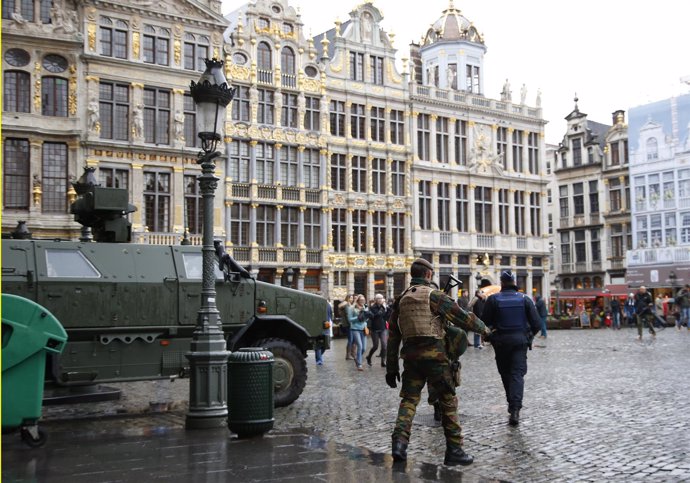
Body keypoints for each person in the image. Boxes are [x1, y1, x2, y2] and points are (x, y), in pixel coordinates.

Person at [386, 258, 492, 467]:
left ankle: (399, 444)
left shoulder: (401, 300)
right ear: (428, 275)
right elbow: (463, 318)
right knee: (447, 401)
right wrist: (486, 331)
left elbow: (393, 336)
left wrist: (391, 368)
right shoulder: (435, 296)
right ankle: (454, 450)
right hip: (436, 358)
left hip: (411, 360)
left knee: (409, 401)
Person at [481, 270, 541, 427]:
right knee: (516, 375)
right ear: (514, 282)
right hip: (519, 343)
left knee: (506, 374)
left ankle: (512, 404)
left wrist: (491, 337)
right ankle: (515, 409)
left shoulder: (493, 299)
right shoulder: (525, 299)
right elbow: (536, 324)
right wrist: (528, 337)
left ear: (501, 283)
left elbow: (484, 323)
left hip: (501, 343)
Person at [365, 294, 389, 367]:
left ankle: (383, 361)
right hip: (374, 329)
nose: (380, 300)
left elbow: (386, 317)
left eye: (381, 298)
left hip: (383, 328)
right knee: (375, 346)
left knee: (384, 345)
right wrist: (383, 309)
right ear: (375, 300)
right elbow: (376, 316)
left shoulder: (384, 307)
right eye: (378, 298)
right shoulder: (372, 307)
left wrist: (387, 309)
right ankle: (369, 357)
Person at [469, 279, 492, 348]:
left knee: (481, 330)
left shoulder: (482, 300)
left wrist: (485, 299)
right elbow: (470, 305)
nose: (482, 294)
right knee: (477, 331)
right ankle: (477, 344)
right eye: (481, 293)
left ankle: (481, 343)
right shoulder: (476, 299)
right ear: (478, 293)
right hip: (476, 317)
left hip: (481, 317)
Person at [348, 294, 368, 371]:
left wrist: (366, 320)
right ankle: (359, 364)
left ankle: (356, 357)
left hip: (363, 329)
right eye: (361, 300)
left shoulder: (365, 308)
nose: (363, 302)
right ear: (358, 300)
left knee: (363, 348)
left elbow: (366, 319)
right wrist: (358, 317)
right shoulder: (352, 308)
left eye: (364, 300)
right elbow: (350, 319)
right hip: (355, 329)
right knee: (359, 345)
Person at [315, 301, 333, 366]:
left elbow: (331, 314)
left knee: (325, 344)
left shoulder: (327, 304)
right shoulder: (315, 304)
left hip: (326, 325)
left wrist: (330, 321)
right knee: (318, 343)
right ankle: (319, 360)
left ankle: (318, 356)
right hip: (317, 326)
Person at [338, 294, 355, 360]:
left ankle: (351, 354)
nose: (351, 299)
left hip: (348, 324)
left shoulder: (348, 305)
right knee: (350, 339)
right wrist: (351, 324)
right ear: (347, 298)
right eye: (350, 298)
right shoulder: (347, 305)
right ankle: (348, 355)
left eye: (352, 298)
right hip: (348, 324)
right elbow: (348, 315)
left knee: (352, 339)